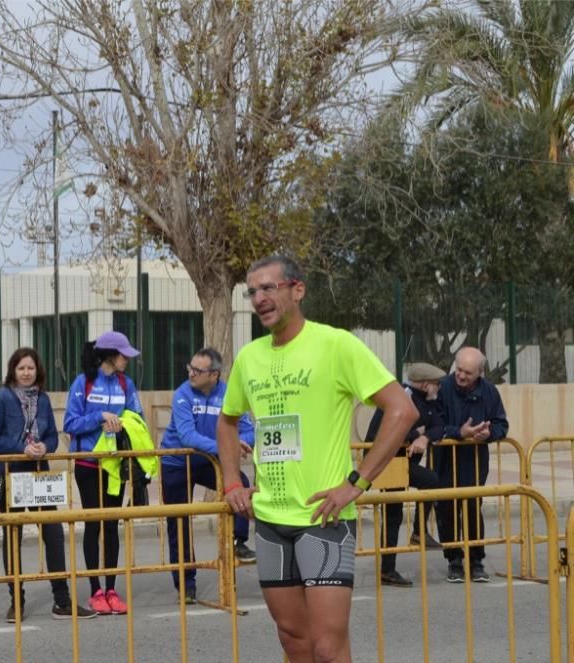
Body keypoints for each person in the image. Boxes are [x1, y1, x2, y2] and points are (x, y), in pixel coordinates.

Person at [218, 255, 416, 663]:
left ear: (297, 289)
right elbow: (226, 421)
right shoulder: (250, 357)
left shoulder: (335, 344)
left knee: (327, 648)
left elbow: (402, 411)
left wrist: (355, 483)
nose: (259, 299)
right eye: (252, 291)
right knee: (292, 638)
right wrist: (232, 482)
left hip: (323, 520)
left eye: (269, 288)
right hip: (270, 521)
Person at [0, 347, 97, 622]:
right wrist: (20, 449)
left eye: (30, 368)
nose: (26, 373)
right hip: (11, 474)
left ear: (37, 371)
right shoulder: (0, 398)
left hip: (39, 474)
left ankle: (62, 600)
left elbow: (53, 436)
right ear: (13, 370)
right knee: (13, 536)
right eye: (21, 368)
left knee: (54, 534)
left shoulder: (43, 399)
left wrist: (46, 446)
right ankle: (16, 601)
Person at [160, 347, 255, 604]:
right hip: (177, 462)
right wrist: (231, 446)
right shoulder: (183, 394)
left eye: (197, 370)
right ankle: (186, 584)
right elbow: (187, 436)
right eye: (190, 368)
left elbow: (249, 431)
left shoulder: (229, 394)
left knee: (241, 483)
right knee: (179, 522)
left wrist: (240, 442)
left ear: (214, 375)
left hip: (208, 461)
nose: (191, 373)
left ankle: (239, 540)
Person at [63, 331, 143, 616]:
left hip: (114, 465)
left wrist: (123, 422)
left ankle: (111, 589)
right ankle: (95, 590)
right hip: (87, 465)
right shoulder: (83, 382)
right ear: (110, 355)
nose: (127, 360)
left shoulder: (126, 384)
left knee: (111, 525)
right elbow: (70, 423)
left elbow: (138, 418)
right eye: (123, 355)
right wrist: (99, 418)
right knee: (93, 524)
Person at [364, 362, 445, 588]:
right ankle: (389, 568)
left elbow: (440, 426)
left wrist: (424, 438)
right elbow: (383, 431)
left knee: (427, 485)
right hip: (386, 461)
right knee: (394, 513)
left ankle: (417, 535)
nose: (438, 388)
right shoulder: (401, 397)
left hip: (403, 462)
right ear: (426, 384)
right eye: (436, 384)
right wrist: (412, 434)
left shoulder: (428, 402)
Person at [434, 346, 509, 584]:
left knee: (472, 508)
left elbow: (501, 425)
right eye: (459, 369)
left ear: (479, 373)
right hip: (444, 459)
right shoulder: (442, 388)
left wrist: (488, 434)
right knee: (446, 508)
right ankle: (454, 560)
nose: (461, 375)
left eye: (467, 372)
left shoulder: (489, 392)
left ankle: (476, 561)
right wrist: (459, 432)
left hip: (474, 460)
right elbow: (433, 423)